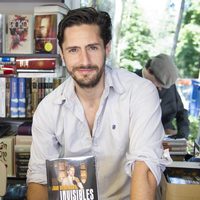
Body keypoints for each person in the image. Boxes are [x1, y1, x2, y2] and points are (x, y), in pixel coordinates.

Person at [27, 7, 170, 200]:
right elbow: (39, 180)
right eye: (73, 50)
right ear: (62, 53)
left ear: (107, 48)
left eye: (92, 48)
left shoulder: (140, 92)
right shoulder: (47, 109)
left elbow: (145, 168)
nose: (84, 61)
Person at [135, 53, 190, 139]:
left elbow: (181, 112)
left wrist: (182, 134)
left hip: (167, 134)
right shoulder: (130, 82)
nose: (160, 89)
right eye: (159, 84)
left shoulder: (167, 83)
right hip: (138, 137)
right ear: (149, 71)